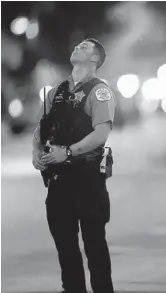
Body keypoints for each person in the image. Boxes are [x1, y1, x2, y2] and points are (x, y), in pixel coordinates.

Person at [32, 38, 115, 293]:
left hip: (88, 178)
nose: (77, 47)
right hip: (59, 180)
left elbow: (101, 133)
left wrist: (68, 152)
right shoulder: (56, 91)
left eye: (84, 47)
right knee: (65, 247)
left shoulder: (99, 91)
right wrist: (36, 150)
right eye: (77, 45)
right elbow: (41, 126)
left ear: (94, 59)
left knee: (94, 245)